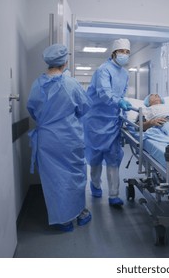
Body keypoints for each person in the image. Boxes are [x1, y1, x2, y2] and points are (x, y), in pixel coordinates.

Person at [27, 44, 92, 232]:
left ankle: (63, 220)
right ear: (65, 61)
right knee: (75, 176)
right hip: (69, 138)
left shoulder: (37, 84)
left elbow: (32, 110)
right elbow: (84, 108)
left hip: (47, 140)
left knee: (54, 180)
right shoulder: (71, 84)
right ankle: (79, 213)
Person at [83, 38, 132, 208]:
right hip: (96, 119)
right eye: (121, 51)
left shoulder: (125, 73)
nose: (124, 55)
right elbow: (104, 94)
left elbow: (123, 94)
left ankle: (114, 195)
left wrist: (124, 110)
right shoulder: (103, 70)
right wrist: (118, 102)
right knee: (96, 157)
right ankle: (95, 185)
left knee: (113, 157)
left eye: (127, 52)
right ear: (113, 53)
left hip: (113, 120)